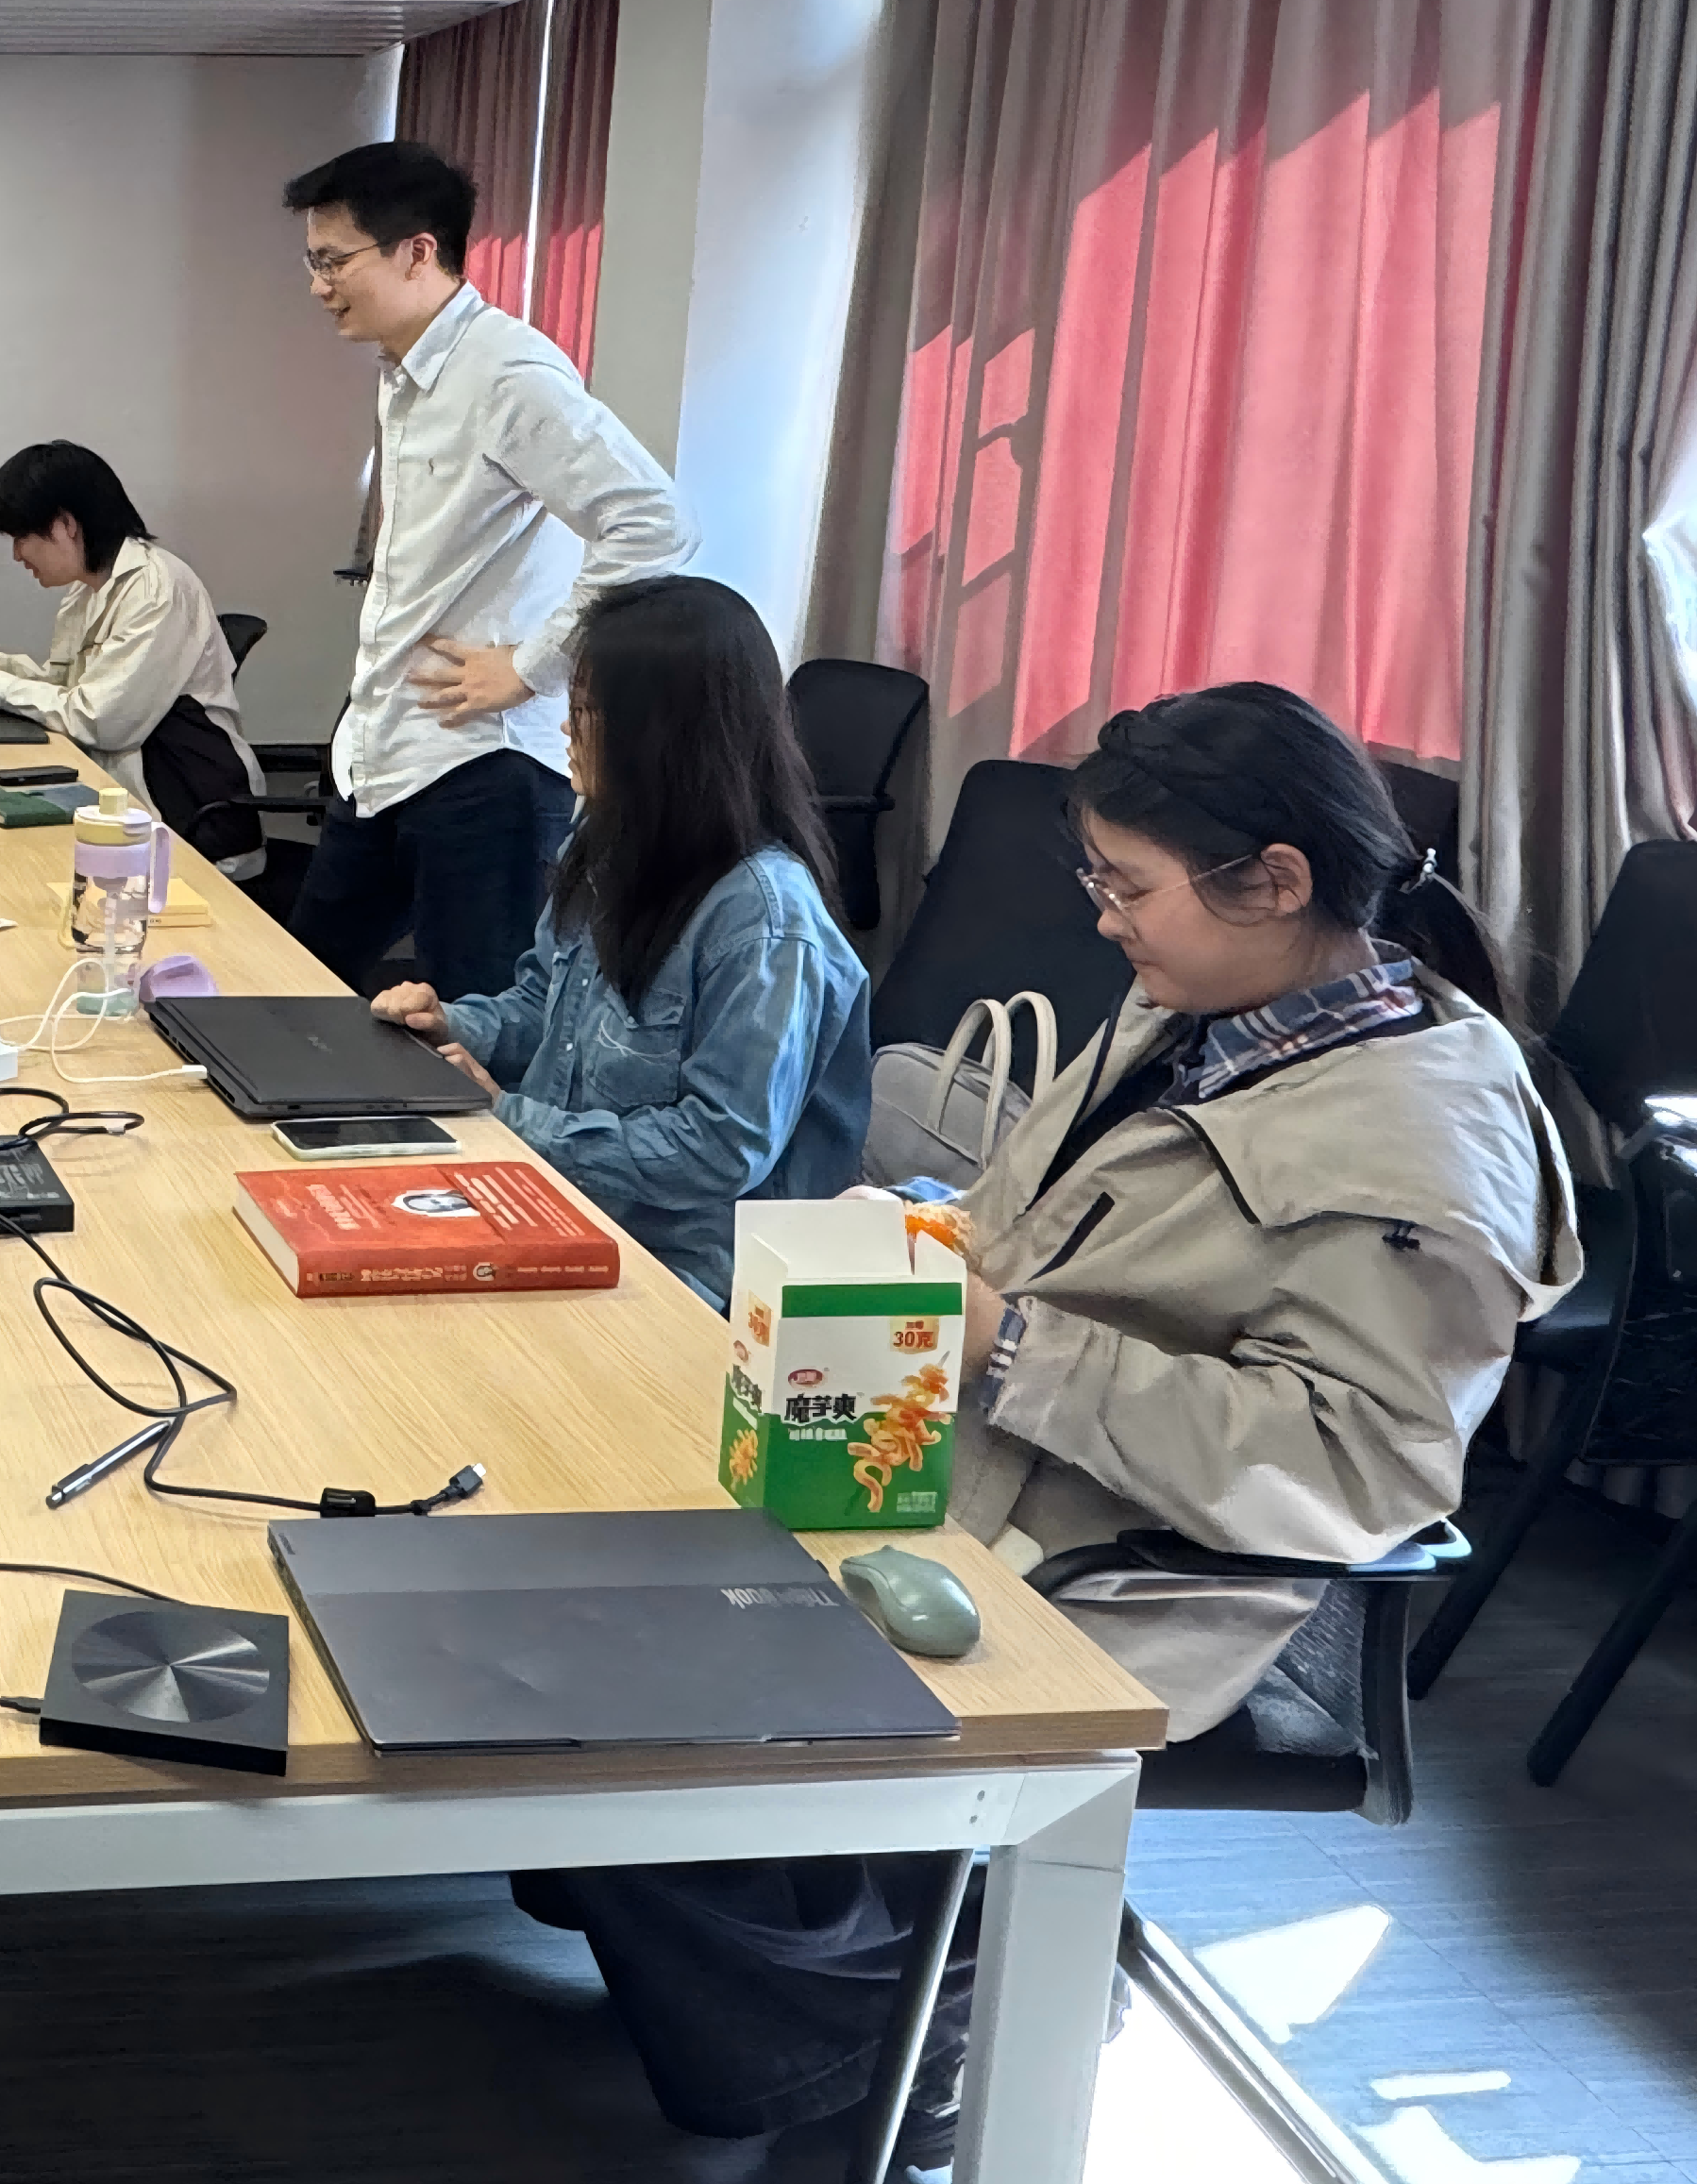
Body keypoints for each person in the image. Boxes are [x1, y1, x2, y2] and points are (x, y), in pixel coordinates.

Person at [543, 680, 1579, 2162]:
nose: (1103, 920)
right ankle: (841, 1953)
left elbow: (1355, 1471)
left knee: (600, 1715)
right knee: (560, 1600)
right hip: (976, 1462)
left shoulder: (1420, 1149)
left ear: (1275, 881)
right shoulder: (1208, 1008)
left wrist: (1013, 1341)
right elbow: (1046, 1218)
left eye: (1129, 886)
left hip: (1120, 1569)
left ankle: (903, 2030)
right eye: (1098, 879)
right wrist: (929, 1228)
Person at [369, 576, 865, 1306]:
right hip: (554, 1205)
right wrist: (451, 1024)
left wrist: (509, 1118)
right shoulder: (609, 841)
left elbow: (722, 1149)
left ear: (661, 734)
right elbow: (545, 1007)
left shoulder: (764, 921)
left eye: (585, 712)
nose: (566, 732)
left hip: (688, 1272)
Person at [278, 140, 694, 996]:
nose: (318, 285)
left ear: (417, 251)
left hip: (484, 768)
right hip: (387, 748)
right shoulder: (406, 371)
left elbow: (654, 523)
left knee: (478, 1021)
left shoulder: (507, 372)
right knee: (296, 989)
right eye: (313, 261)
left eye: (333, 260)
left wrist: (536, 666)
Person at [0, 439, 268, 879]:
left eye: (21, 537)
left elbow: (100, 721)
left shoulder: (155, 589)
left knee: (3, 865)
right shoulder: (88, 588)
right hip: (120, 802)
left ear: (65, 525)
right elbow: (68, 686)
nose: (17, 555)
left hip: (184, 825)